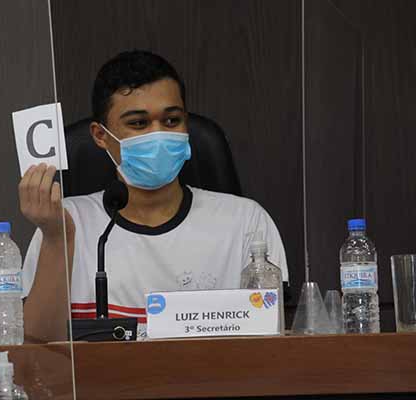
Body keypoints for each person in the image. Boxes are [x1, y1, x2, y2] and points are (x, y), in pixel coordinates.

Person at [19, 50, 288, 342]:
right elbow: (37, 348)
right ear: (100, 135)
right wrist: (56, 238)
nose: (159, 135)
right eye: (139, 123)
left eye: (172, 120)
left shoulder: (245, 223)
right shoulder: (64, 221)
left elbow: (271, 346)